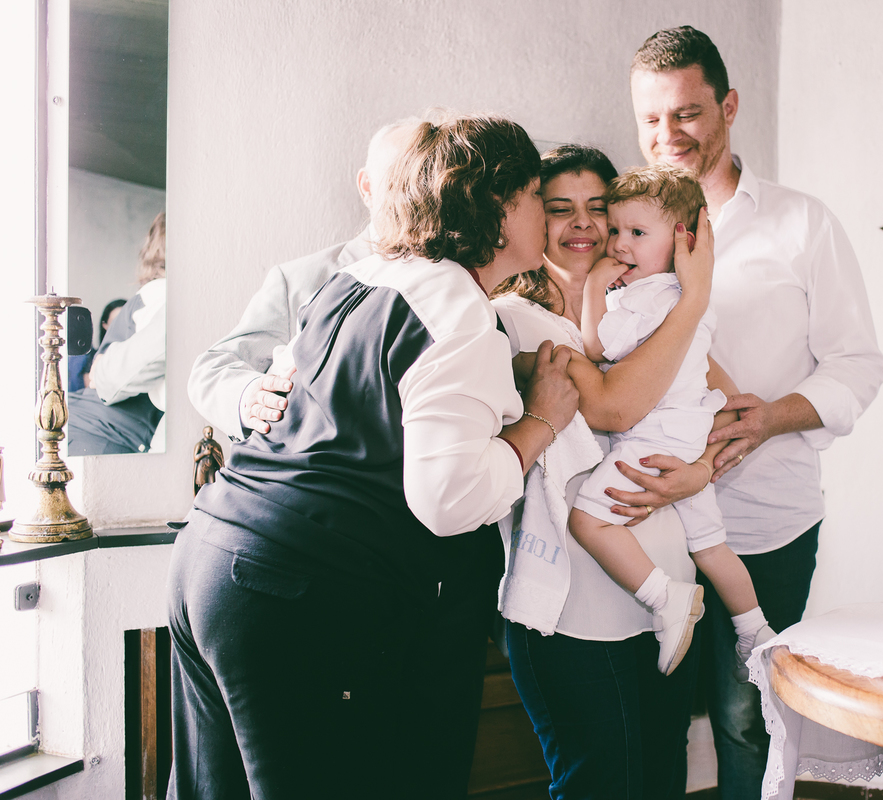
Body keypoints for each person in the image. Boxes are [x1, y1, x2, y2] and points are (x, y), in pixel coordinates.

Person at [167, 114, 578, 800]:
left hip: (211, 561)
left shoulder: (367, 278)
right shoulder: (456, 312)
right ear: (500, 207)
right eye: (537, 193)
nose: (548, 210)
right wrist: (540, 422)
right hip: (292, 597)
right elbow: (448, 501)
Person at [627, 27, 883, 799]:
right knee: (650, 715)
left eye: (686, 113)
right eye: (650, 119)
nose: (667, 135)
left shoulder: (803, 225)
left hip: (768, 521)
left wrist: (770, 416)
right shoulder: (621, 225)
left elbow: (859, 363)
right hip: (649, 521)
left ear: (729, 107)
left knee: (745, 716)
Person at [492, 145, 726, 799]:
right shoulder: (511, 320)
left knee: (660, 779)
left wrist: (700, 470)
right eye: (558, 208)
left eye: (599, 208)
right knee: (601, 784)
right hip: (571, 612)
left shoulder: (653, 309)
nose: (583, 225)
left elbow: (725, 411)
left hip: (672, 599)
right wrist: (697, 296)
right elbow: (614, 402)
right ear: (532, 218)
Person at [567, 163, 771, 679]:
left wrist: (594, 290)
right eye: (615, 230)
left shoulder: (647, 297)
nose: (619, 245)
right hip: (687, 438)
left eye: (637, 233)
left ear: (684, 242)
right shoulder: (687, 299)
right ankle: (756, 630)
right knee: (711, 545)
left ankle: (666, 599)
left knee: (588, 520)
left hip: (652, 440)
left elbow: (596, 347)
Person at [187, 117, 424, 440]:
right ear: (367, 187)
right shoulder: (297, 280)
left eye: (425, 178)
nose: (416, 194)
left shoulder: (461, 280)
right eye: (400, 179)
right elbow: (210, 371)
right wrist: (251, 396)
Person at [67, 213, 168, 455]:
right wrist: (100, 371)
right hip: (100, 434)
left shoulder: (152, 294)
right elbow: (111, 379)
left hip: (91, 428)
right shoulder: (162, 292)